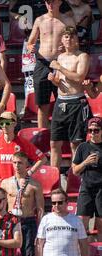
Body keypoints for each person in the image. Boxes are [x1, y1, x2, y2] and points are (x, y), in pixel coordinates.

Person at [27, 0, 75, 129]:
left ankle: (63, 135)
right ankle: (42, 136)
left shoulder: (68, 20)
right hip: (42, 63)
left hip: (61, 63)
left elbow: (76, 44)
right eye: (48, 2)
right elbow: (30, 42)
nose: (50, 4)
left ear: (59, 2)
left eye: (53, 1)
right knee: (43, 105)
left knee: (64, 102)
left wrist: (66, 49)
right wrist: (31, 48)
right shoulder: (40, 20)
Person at [48, 26, 91, 168]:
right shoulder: (60, 57)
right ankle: (55, 184)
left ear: (77, 39)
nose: (69, 39)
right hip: (61, 102)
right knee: (54, 143)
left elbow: (79, 78)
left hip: (76, 102)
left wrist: (60, 68)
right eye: (66, 36)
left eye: (72, 36)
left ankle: (76, 180)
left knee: (75, 144)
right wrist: (54, 80)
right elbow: (60, 82)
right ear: (62, 39)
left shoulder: (82, 56)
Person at [36, 188, 89, 256]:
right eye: (53, 202)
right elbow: (39, 245)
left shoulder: (76, 221)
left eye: (60, 202)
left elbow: (84, 245)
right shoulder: (46, 219)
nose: (56, 205)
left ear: (67, 202)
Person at [0, 152, 45, 256]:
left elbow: (40, 209)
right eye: (14, 163)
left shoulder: (35, 185)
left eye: (20, 163)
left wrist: (40, 228)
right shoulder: (5, 183)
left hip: (28, 221)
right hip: (11, 221)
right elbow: (0, 206)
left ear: (26, 165)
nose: (17, 165)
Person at [0, 111, 47, 186]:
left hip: (18, 185)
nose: (4, 125)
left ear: (14, 124)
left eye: (7, 122)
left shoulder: (23, 143)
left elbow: (43, 159)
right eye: (1, 123)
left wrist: (30, 172)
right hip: (1, 186)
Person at [72, 117, 102, 241]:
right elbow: (74, 171)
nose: (93, 133)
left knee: (101, 223)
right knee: (82, 223)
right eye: (90, 131)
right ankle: (81, 254)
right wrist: (85, 162)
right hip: (87, 187)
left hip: (101, 188)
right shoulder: (83, 147)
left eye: (96, 130)